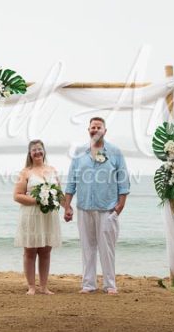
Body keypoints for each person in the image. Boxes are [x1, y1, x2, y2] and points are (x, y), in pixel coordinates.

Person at [63, 117, 130, 294]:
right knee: (87, 247)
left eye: (99, 127)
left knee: (107, 248)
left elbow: (123, 179)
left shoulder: (114, 152)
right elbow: (72, 180)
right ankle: (88, 284)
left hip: (107, 208)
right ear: (89, 130)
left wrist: (121, 205)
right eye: (92, 127)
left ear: (105, 131)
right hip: (84, 207)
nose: (95, 129)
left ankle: (110, 285)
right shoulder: (79, 152)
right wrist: (67, 206)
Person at [13, 140, 66, 295]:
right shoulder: (25, 172)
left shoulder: (52, 170)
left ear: (44, 152)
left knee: (45, 251)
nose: (37, 152)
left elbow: (59, 194)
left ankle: (44, 286)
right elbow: (17, 196)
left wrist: (67, 208)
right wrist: (38, 200)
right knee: (30, 251)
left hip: (48, 216)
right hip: (31, 216)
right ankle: (31, 286)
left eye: (40, 149)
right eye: (34, 150)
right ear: (30, 154)